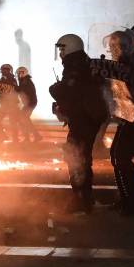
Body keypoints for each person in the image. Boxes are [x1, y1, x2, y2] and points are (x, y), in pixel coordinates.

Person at [50, 34, 107, 214]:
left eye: (62, 49)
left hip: (83, 119)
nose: (61, 53)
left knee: (76, 157)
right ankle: (85, 197)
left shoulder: (74, 67)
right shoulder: (84, 63)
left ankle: (81, 199)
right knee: (82, 157)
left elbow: (70, 90)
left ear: (71, 48)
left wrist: (54, 89)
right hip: (88, 117)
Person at [106, 30, 134, 216]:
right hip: (129, 116)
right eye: (111, 46)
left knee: (121, 157)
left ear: (123, 47)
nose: (112, 50)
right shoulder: (129, 64)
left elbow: (131, 92)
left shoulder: (131, 66)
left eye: (114, 46)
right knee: (116, 156)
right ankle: (127, 198)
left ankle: (133, 201)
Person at [0, 64, 20, 143]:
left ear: (8, 70)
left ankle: (14, 139)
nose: (2, 72)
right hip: (5, 104)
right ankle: (4, 136)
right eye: (2, 70)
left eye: (4, 70)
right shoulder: (5, 79)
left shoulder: (11, 79)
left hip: (11, 104)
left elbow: (13, 90)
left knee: (12, 122)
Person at [16, 66, 42, 143]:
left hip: (30, 103)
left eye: (19, 73)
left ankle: (33, 136)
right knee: (24, 119)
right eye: (18, 73)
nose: (18, 75)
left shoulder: (25, 81)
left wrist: (14, 88)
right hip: (29, 103)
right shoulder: (25, 80)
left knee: (23, 118)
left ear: (23, 73)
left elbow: (21, 90)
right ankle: (34, 136)